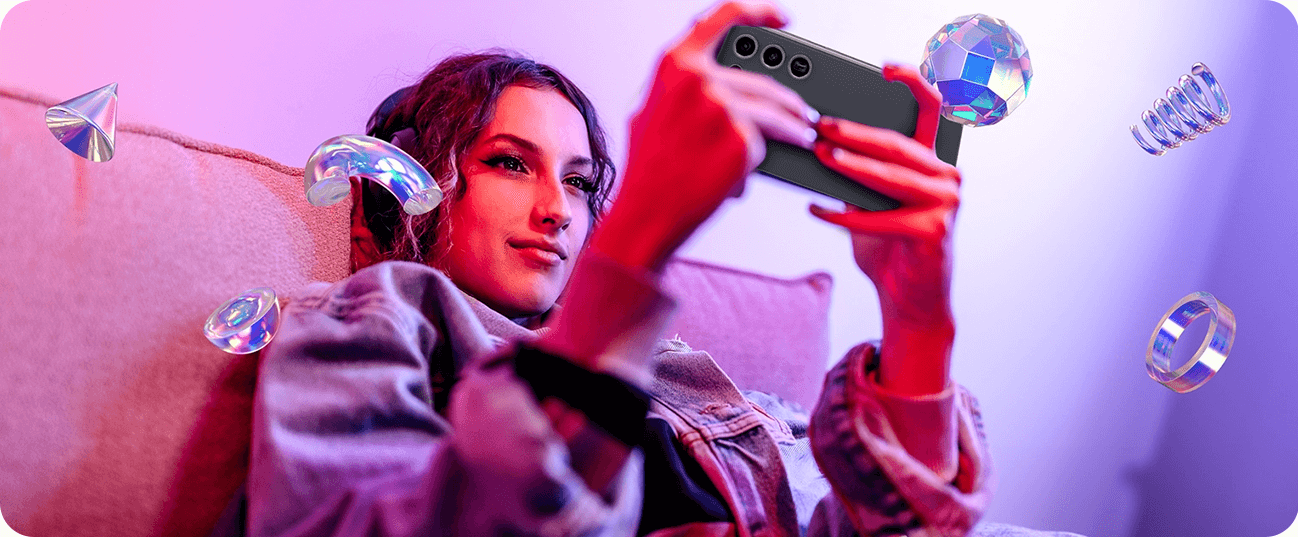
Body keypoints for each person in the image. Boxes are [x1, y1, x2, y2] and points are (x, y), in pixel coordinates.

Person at [226, 2, 1081, 536]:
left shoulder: (685, 373)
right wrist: (637, 239)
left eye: (581, 181)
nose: (560, 210)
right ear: (414, 183)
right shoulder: (373, 317)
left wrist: (919, 323)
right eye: (510, 163)